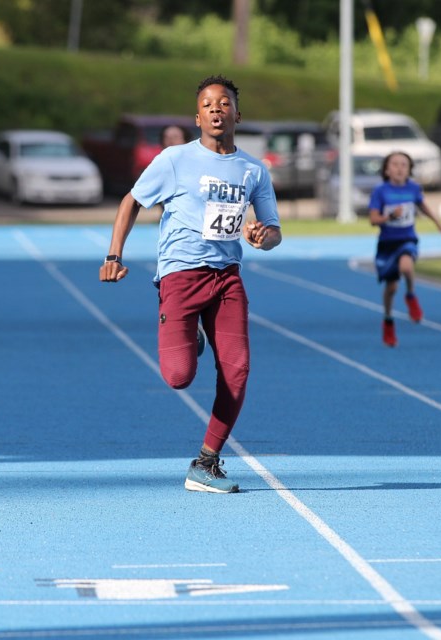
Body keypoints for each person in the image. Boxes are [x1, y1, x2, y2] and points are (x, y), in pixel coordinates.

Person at [99, 75, 282, 494]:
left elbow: (273, 232)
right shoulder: (175, 160)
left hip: (227, 279)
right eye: (208, 104)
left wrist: (261, 237)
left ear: (238, 113)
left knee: (237, 370)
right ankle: (190, 333)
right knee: (178, 377)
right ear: (197, 116)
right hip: (181, 276)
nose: (217, 109)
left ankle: (206, 461)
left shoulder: (254, 170)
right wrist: (114, 255)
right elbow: (131, 201)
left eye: (224, 103)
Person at [367, 151, 441, 347]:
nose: (399, 168)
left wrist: (438, 223)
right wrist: (389, 217)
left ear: (409, 169)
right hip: (387, 243)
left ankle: (411, 295)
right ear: (386, 169)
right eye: (395, 164)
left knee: (406, 267)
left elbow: (423, 206)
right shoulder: (380, 191)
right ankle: (388, 320)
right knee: (391, 287)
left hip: (407, 239)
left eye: (404, 164)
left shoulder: (413, 188)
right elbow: (373, 219)